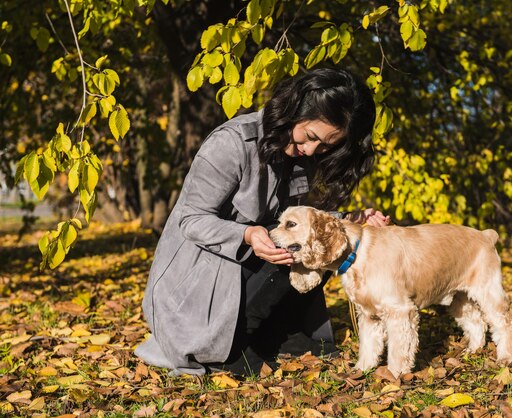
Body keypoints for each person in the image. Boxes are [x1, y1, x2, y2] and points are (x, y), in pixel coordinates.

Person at [134, 67, 391, 376]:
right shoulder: (230, 144)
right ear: (296, 108)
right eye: (311, 137)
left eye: (325, 147)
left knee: (317, 239)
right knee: (289, 241)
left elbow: (292, 222)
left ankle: (279, 335)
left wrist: (350, 219)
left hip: (244, 270)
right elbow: (191, 220)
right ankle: (232, 348)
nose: (311, 150)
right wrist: (247, 234)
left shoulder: (299, 157)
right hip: (195, 282)